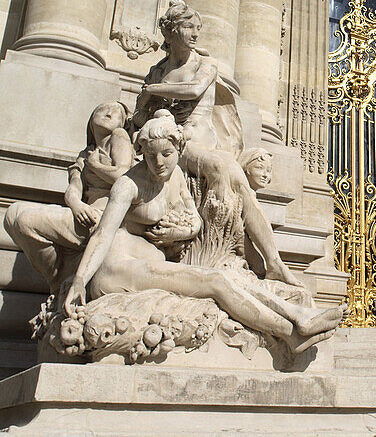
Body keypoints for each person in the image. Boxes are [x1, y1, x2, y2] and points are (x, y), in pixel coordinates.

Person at [64, 110, 346, 354]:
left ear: (180, 150)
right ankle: (293, 327)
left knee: (225, 277)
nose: (159, 163)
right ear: (142, 153)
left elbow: (194, 222)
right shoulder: (128, 185)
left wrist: (176, 233)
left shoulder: (174, 175)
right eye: (151, 156)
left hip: (146, 265)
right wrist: (79, 281)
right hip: (116, 271)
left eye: (167, 154)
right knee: (216, 280)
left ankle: (296, 322)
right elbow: (103, 234)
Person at [133, 0, 298, 285]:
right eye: (188, 28)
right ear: (171, 32)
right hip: (181, 146)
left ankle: (272, 262)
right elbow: (138, 117)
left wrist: (152, 91)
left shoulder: (204, 65)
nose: (195, 34)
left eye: (198, 28)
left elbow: (194, 89)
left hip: (202, 139)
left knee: (238, 182)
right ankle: (268, 262)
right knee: (230, 174)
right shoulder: (157, 71)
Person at [5, 101, 134, 290]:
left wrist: (95, 166)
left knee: (25, 220)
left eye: (117, 112)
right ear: (91, 120)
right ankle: (61, 275)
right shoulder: (85, 154)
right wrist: (76, 205)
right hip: (85, 212)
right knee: (11, 214)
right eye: (102, 109)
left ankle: (57, 278)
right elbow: (74, 188)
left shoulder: (119, 136)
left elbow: (125, 176)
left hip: (105, 216)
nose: (108, 113)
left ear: (123, 124)